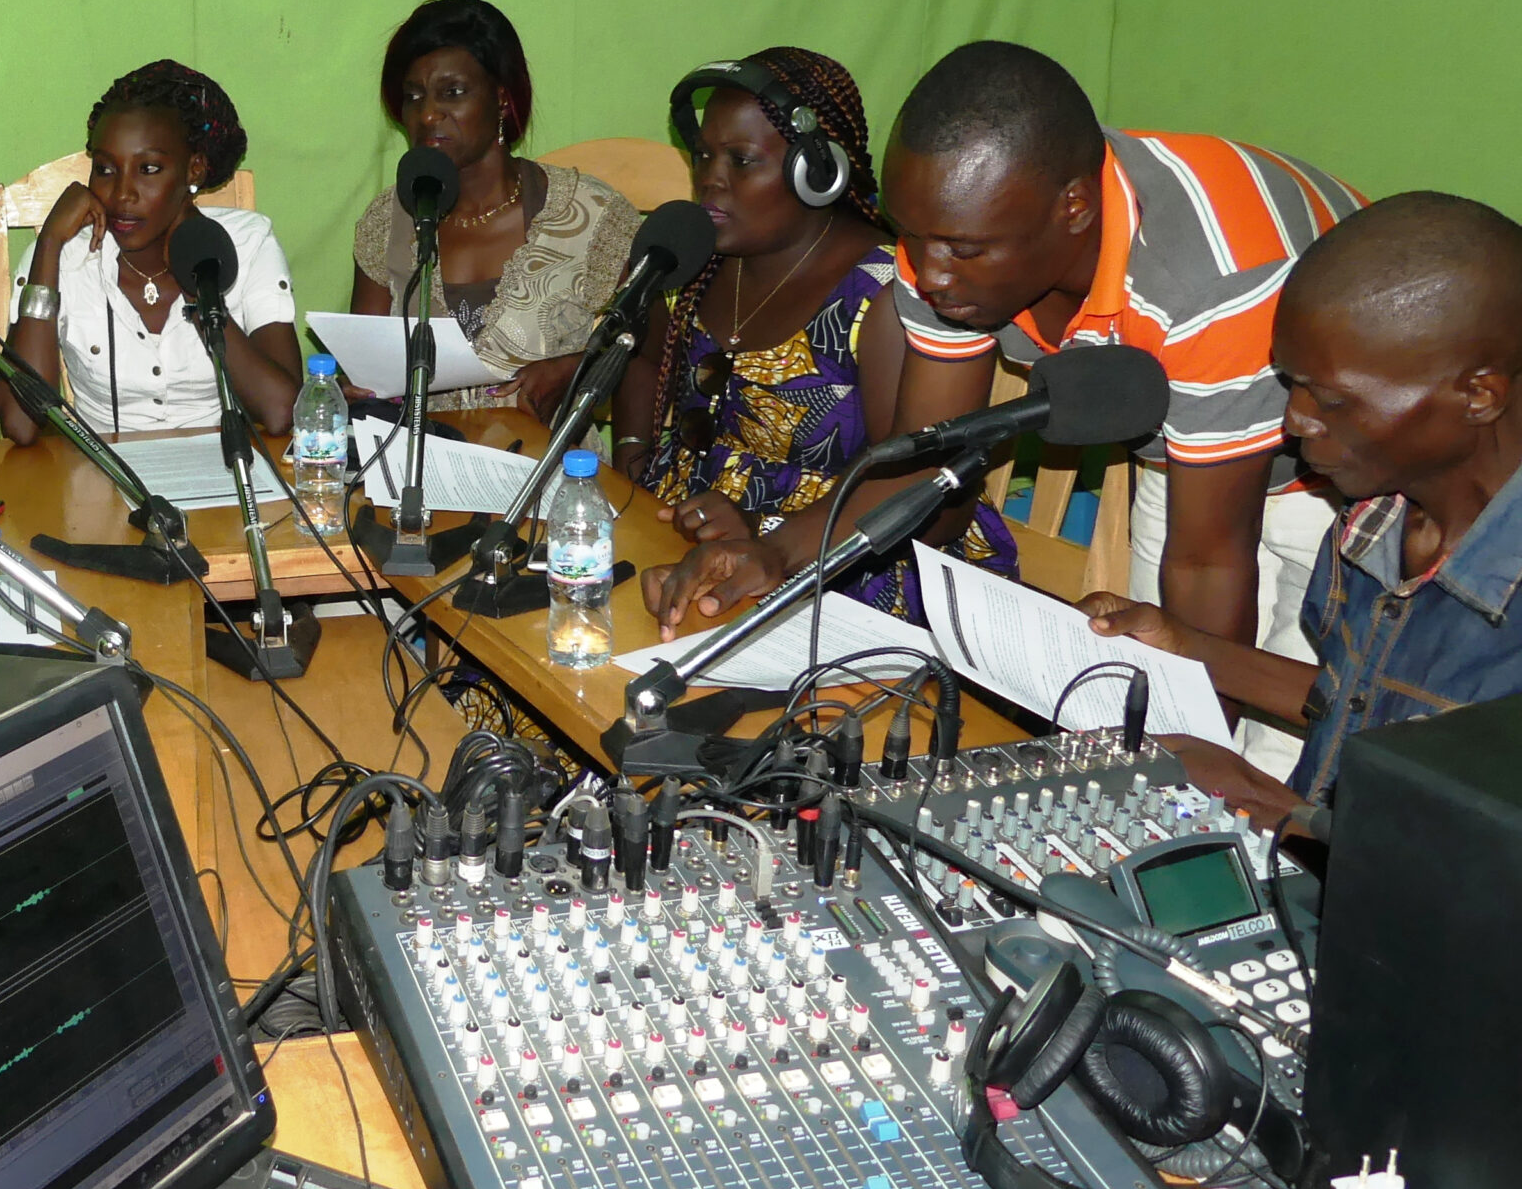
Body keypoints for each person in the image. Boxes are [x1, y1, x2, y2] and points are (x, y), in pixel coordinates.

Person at [648, 41, 1361, 768]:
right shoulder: (951, 237)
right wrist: (775, 551)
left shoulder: (1213, 274)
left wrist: (1186, 767)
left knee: (1279, 767)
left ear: (1074, 209)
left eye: (961, 249)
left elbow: (1211, 564)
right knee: (1144, 707)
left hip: (1346, 490)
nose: (926, 274)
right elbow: (928, 461)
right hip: (1187, 456)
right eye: (915, 237)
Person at [1080, 194, 1522, 826]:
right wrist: (1183, 643)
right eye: (1291, 384)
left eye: (1333, 399)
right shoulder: (1371, 524)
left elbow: (1479, 864)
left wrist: (1286, 817)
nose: (1295, 422)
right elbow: (1357, 697)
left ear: (1478, 395)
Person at [621, 47, 1014, 617]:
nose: (710, 179)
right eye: (703, 156)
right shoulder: (698, 263)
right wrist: (632, 462)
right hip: (690, 540)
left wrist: (762, 526)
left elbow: (929, 499)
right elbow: (640, 356)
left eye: (741, 160)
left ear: (819, 174)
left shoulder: (885, 297)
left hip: (855, 567)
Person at [350, 0, 642, 421]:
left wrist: (578, 371)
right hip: (419, 472)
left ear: (502, 99)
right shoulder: (388, 219)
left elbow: (650, 355)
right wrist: (357, 392)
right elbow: (366, 365)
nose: (428, 115)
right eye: (414, 97)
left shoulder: (593, 217)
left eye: (452, 93)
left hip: (548, 474)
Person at [0, 60, 301, 441]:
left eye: (149, 169)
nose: (123, 194)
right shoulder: (65, 256)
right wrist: (49, 246)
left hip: (225, 480)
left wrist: (198, 283)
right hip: (102, 484)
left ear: (194, 170)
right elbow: (19, 424)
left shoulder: (249, 243)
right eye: (106, 169)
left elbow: (281, 412)